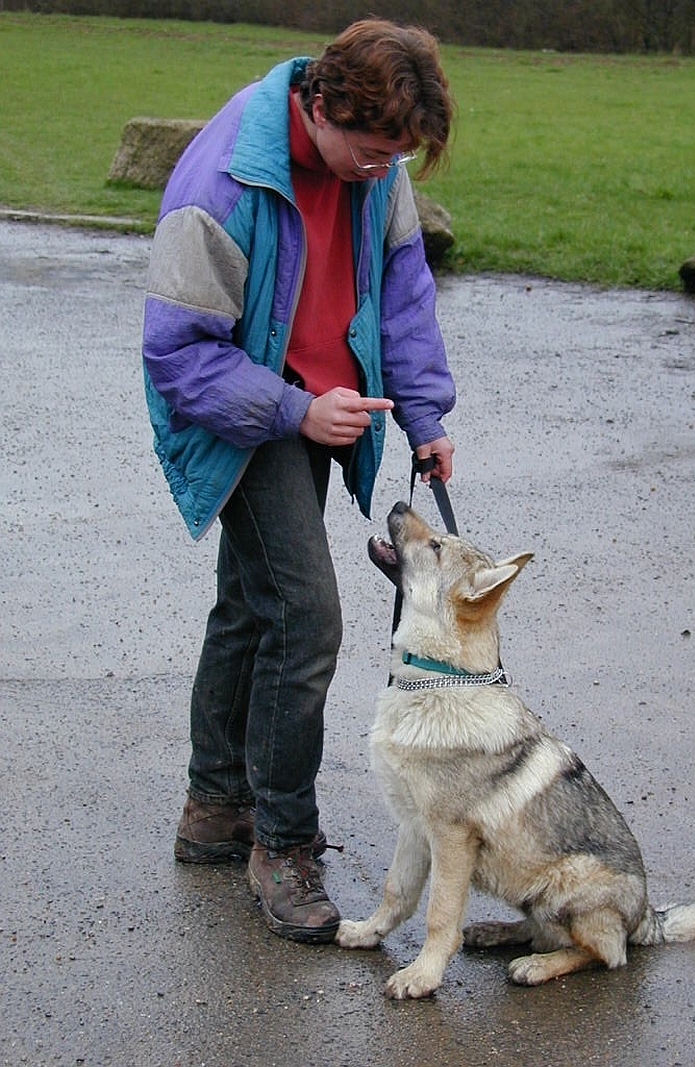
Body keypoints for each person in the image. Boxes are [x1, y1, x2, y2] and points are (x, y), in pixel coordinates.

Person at [141, 18, 456, 944]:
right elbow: (178, 355)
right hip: (241, 407)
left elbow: (403, 291)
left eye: (396, 157)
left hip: (323, 399)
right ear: (320, 105)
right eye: (370, 152)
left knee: (252, 601)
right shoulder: (221, 183)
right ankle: (281, 843)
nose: (381, 171)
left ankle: (214, 807)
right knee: (306, 616)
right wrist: (292, 412)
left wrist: (427, 420)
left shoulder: (378, 168)